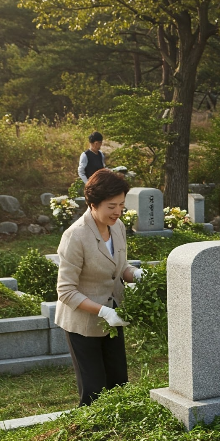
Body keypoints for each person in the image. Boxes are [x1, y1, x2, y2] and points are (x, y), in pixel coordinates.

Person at [56, 170, 142, 407]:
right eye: (111, 206)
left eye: (122, 205)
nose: (118, 211)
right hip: (83, 323)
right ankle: (89, 435)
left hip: (114, 318)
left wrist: (136, 274)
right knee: (93, 390)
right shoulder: (76, 235)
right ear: (92, 204)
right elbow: (65, 291)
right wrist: (103, 312)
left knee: (118, 383)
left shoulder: (118, 227)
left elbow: (120, 266)